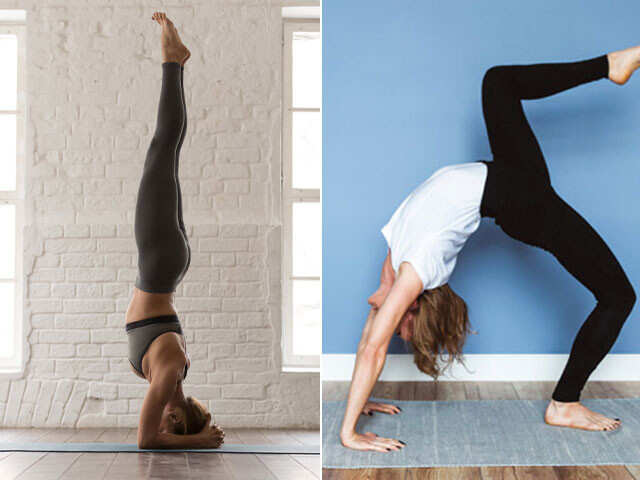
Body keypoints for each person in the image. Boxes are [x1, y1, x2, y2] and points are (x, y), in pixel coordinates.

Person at [340, 45, 640, 452]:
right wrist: (349, 434)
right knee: (619, 296)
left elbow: (369, 338)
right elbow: (374, 343)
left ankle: (611, 66)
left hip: (515, 185)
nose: (389, 326)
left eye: (395, 327)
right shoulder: (419, 265)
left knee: (497, 81)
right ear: (412, 305)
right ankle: (565, 403)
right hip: (523, 200)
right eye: (399, 328)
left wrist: (358, 410)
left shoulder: (396, 257)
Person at [124, 12, 224, 449]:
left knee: (167, 151)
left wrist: (195, 437)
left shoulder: (172, 374)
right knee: (163, 147)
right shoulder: (169, 375)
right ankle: (173, 62)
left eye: (164, 423)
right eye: (171, 421)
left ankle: (175, 62)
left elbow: (153, 437)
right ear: (180, 413)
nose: (161, 421)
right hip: (159, 263)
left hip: (165, 265)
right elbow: (146, 443)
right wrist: (200, 440)